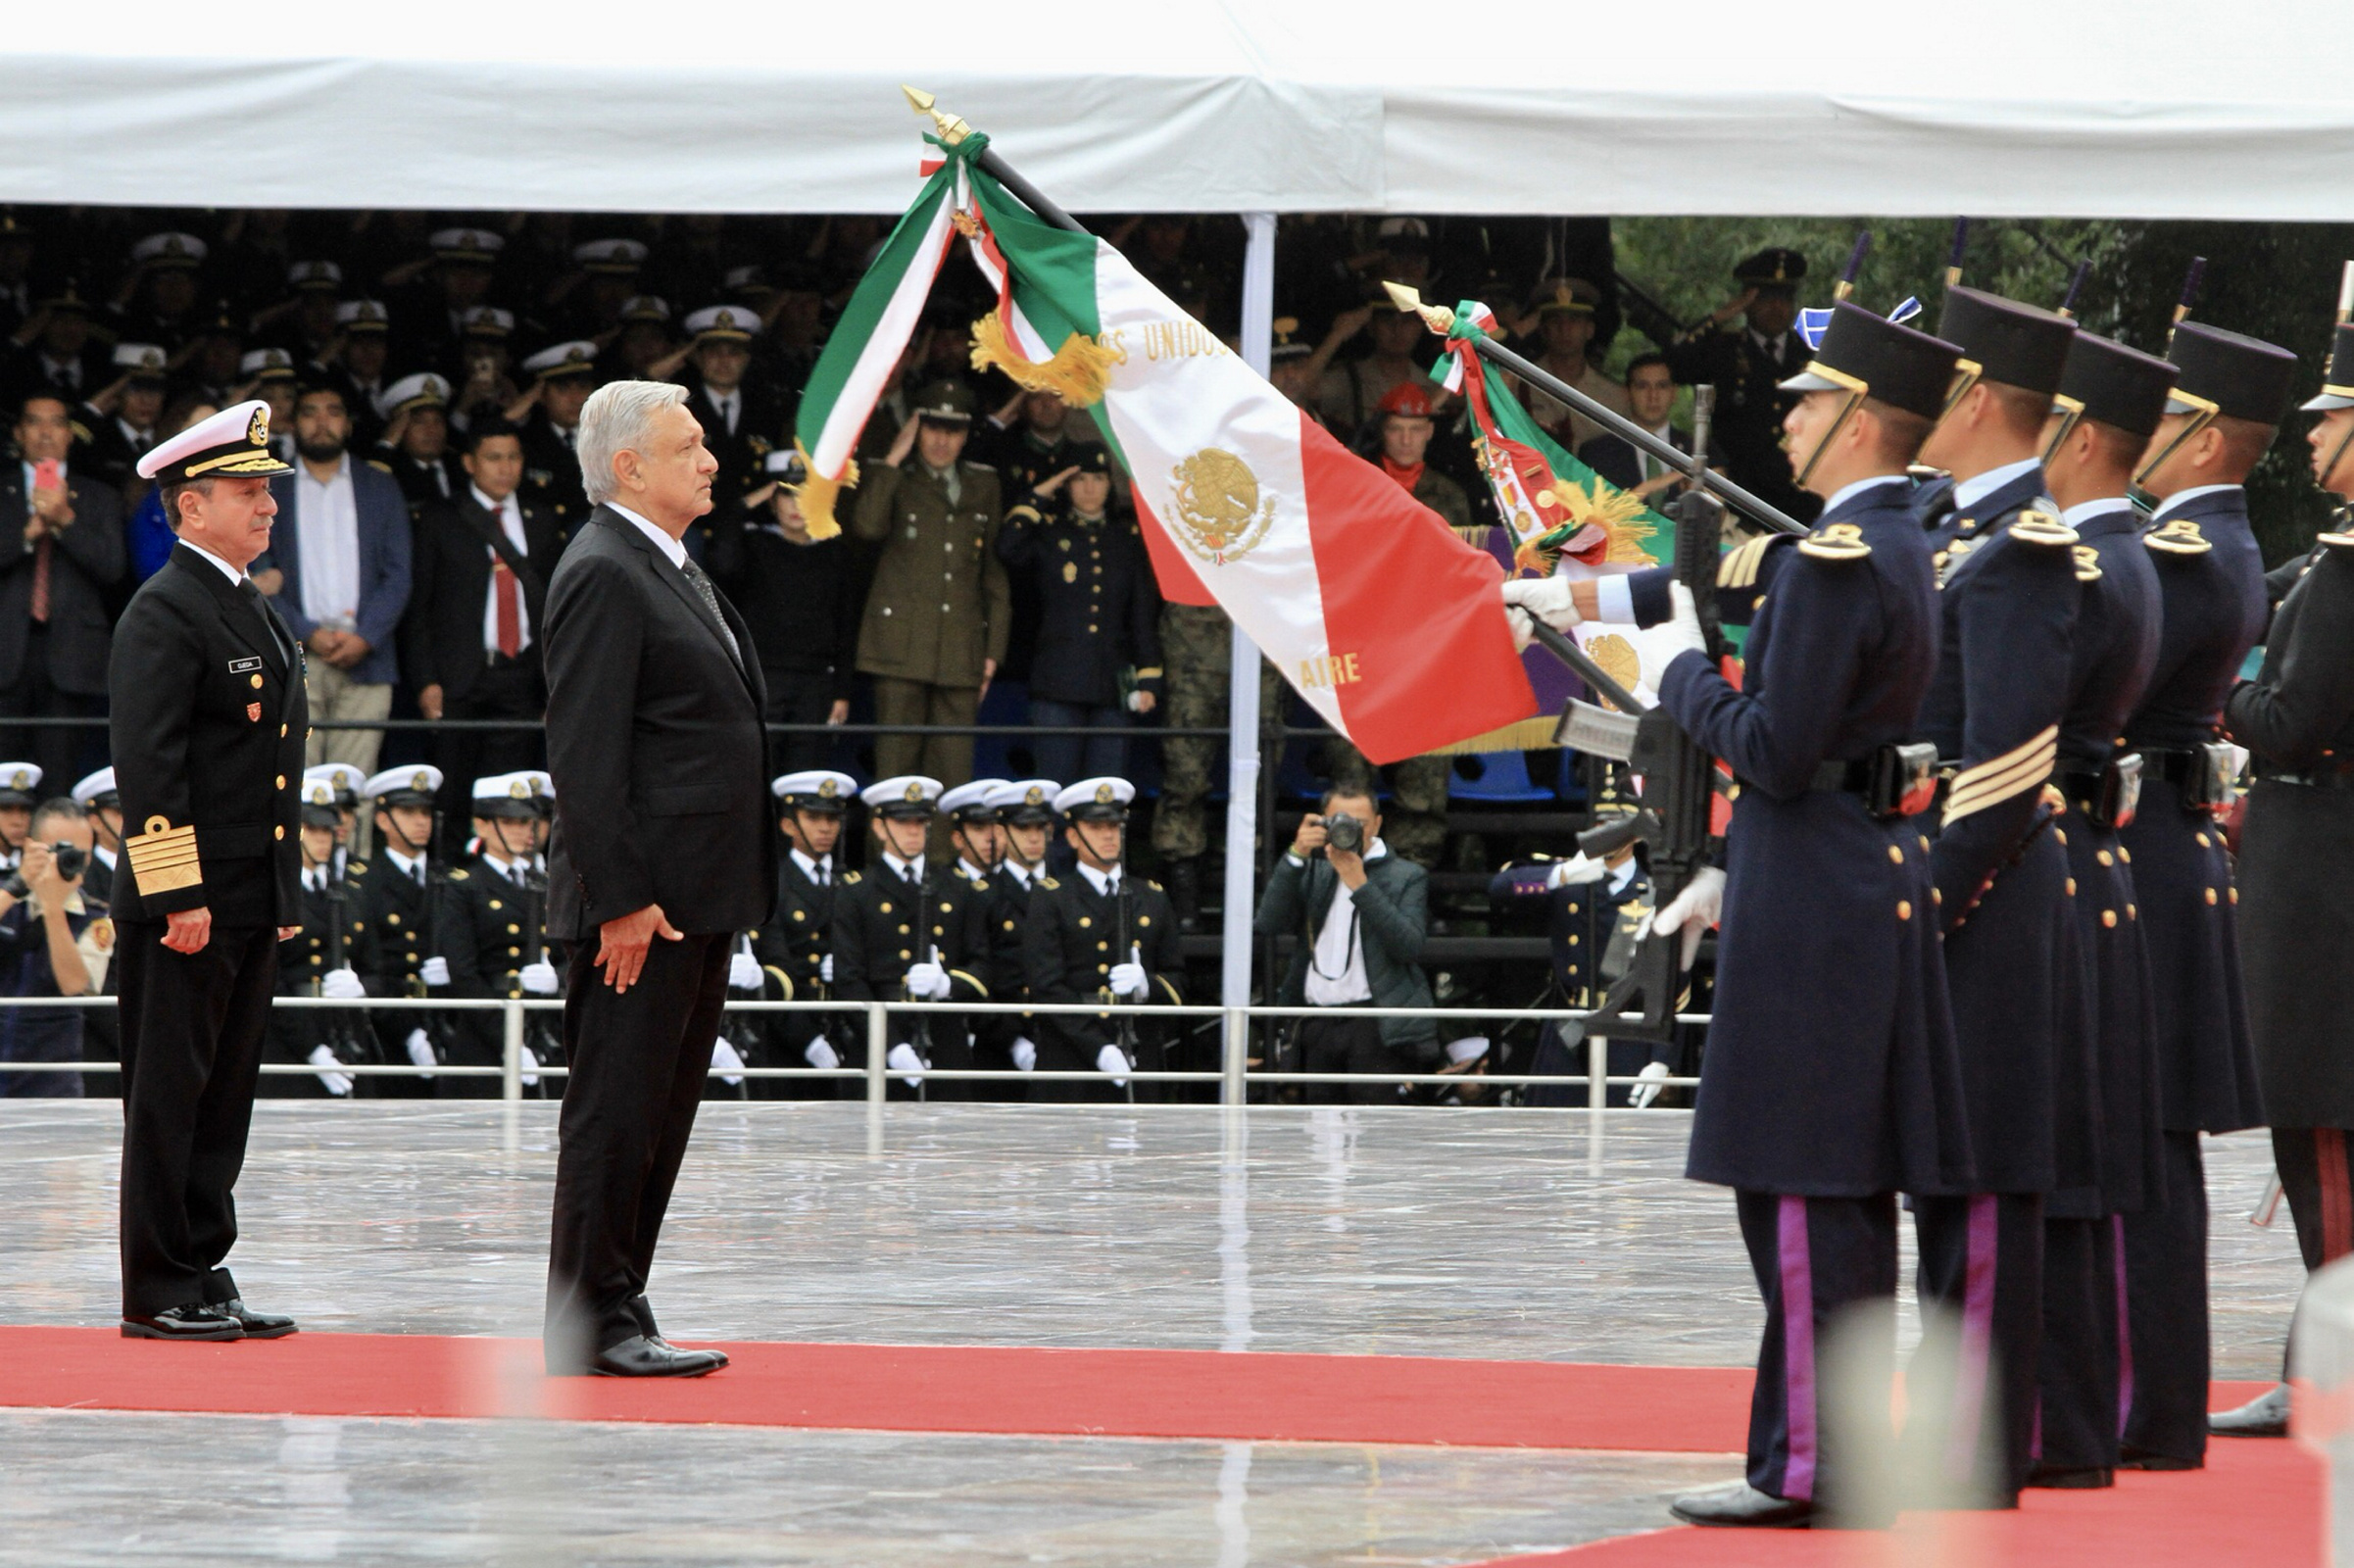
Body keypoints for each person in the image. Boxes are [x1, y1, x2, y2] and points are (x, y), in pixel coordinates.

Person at [1507, 300, 1974, 1526]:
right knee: (1827, 1194)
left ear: (1861, 421)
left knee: (1805, 1190)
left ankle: (1813, 1465)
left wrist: (1672, 677)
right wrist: (1593, 607)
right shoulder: (1882, 542)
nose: (1788, 413)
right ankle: (1822, 1450)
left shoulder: (1840, 560)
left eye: (1809, 401)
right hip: (1838, 873)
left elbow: (1771, 749)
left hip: (1814, 890)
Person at [1892, 285, 2089, 1508]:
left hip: (1986, 891)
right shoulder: (1963, 530)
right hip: (1964, 883)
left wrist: (1926, 899)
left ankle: (1973, 1441)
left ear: (1974, 400)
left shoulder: (2018, 546)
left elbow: (2011, 761)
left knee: (1976, 1176)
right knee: (1947, 1174)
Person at [539, 378, 771, 1378]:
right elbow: (585, 756)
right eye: (687, 445)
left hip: (694, 896)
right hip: (642, 904)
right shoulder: (603, 569)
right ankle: (587, 1317)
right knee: (616, 1109)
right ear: (627, 465)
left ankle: (622, 1299)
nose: (709, 459)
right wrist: (623, 899)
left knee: (658, 1112)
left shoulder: (665, 564)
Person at [2114, 321, 2290, 1470]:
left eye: (2166, 418)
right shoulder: (2210, 545)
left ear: (2210, 437)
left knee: (2133, 1150)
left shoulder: (2179, 553)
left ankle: (2145, 1400)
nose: (2141, 437)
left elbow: (2109, 699)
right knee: (2149, 1146)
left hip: (2144, 854)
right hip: (2172, 850)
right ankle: (2155, 1401)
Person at [112, 398, 307, 1342]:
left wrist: (280, 892)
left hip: (243, 891)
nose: (267, 504)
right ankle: (156, 1284)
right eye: (246, 490)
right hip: (187, 897)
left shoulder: (246, 601)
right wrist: (175, 890)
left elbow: (271, 772)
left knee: (224, 1090)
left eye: (268, 488)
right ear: (190, 505)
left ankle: (203, 1263)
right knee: (169, 1093)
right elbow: (151, 767)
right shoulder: (167, 608)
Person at [2028, 330, 2178, 1487]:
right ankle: (2082, 1419)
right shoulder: (2120, 551)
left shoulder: (2084, 560)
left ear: (2078, 437)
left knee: (2062, 1167)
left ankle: (2063, 1423)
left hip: (2057, 862)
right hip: (2097, 860)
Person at [2208, 317, 2354, 1442]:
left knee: (2319, 1133)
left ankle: (2327, 1370)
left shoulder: (2346, 573)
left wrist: (2221, 696)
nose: (2311, 444)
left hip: (2318, 871)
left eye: (2330, 422)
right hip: (2318, 858)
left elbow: (2295, 723)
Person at [852, 378, 1011, 789]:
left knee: (951, 772)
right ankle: (889, 856)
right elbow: (866, 527)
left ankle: (940, 856)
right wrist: (893, 458)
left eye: (953, 430)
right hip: (899, 645)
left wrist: (993, 649)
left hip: (961, 647)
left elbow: (991, 571)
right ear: (917, 428)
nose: (942, 440)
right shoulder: (894, 476)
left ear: (965, 434)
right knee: (894, 771)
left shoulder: (983, 483)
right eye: (933, 428)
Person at [402, 417, 560, 827]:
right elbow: (420, 605)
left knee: (509, 792)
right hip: (460, 675)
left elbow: (554, 608)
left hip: (521, 675)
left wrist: (552, 683)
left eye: (513, 457)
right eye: (493, 458)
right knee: (454, 791)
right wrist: (426, 681)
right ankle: (454, 878)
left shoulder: (541, 518)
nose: (505, 467)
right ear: (470, 462)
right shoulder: (442, 518)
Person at [261, 382, 414, 776]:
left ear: (348, 424)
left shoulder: (380, 487)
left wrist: (366, 636)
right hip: (294, 655)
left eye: (333, 412)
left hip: (368, 656)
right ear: (293, 424)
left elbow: (399, 574)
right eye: (310, 412)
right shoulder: (270, 489)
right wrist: (306, 631)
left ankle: (354, 845)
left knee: (355, 787)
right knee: (297, 787)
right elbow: (257, 572)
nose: (322, 422)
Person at [1254, 784, 1435, 1104]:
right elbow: (1268, 922)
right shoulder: (1314, 869)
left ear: (1378, 824)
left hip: (1374, 1023)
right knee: (1321, 1127)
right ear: (1322, 822)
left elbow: (1408, 946)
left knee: (1372, 1131)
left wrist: (1359, 883)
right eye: (1339, 820)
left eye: (1361, 823)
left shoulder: (1406, 875)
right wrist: (1295, 855)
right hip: (1318, 1020)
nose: (1350, 830)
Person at [996, 449, 1161, 783]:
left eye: (1098, 479)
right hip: (1058, 681)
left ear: (1109, 484)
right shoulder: (1051, 533)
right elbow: (1008, 546)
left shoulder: (1126, 541)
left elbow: (1141, 614)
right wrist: (1042, 491)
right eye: (1079, 480)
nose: (1089, 488)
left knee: (1105, 792)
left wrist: (1149, 676)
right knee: (1055, 787)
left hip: (1114, 684)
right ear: (1066, 486)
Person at [831, 776, 994, 1101]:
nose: (913, 831)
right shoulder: (856, 892)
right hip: (880, 1034)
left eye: (920, 822)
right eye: (902, 822)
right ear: (879, 828)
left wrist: (948, 984)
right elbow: (849, 978)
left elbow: (983, 965)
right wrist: (892, 1046)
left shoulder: (958, 888)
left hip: (944, 1035)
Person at [1020, 778, 1182, 1102]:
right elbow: (1046, 985)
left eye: (1114, 825)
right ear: (1073, 836)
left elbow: (1177, 977)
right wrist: (1100, 1048)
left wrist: (1146, 985)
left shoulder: (1151, 896)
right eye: (1096, 826)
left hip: (1138, 1046)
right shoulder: (1052, 897)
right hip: (1072, 1055)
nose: (1109, 835)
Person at [0, 391, 125, 786]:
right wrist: (28, 533)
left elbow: (112, 569)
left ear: (70, 434)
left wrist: (66, 521)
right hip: (6, 653)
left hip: (72, 656)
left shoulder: (97, 496)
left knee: (60, 775)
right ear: (19, 432)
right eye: (35, 422)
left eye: (56, 423)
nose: (45, 433)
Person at [707, 451, 858, 770]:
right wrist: (746, 504)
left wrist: (842, 691)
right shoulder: (755, 544)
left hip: (816, 683)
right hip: (763, 677)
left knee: (807, 775)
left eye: (806, 496)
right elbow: (722, 563)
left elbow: (846, 624)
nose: (796, 506)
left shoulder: (836, 553)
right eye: (788, 496)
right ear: (773, 502)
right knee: (759, 770)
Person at [1663, 248, 1819, 524]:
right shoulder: (1725, 349)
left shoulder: (1809, 357)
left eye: (1784, 298)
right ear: (1747, 301)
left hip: (1798, 498)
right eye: (1766, 298)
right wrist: (1720, 317)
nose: (1776, 307)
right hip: (1740, 494)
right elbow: (1675, 363)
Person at [431, 774, 563, 1096]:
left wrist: (558, 980)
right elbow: (464, 974)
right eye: (509, 821)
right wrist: (508, 1038)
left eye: (526, 821)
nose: (522, 830)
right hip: (487, 1031)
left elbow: (567, 953)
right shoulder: (465, 886)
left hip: (545, 1023)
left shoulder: (548, 884)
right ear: (482, 826)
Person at [262, 778, 373, 1100]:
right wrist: (312, 1050)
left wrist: (362, 986)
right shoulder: (274, 891)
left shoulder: (348, 891)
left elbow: (374, 964)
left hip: (345, 1029)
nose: (323, 839)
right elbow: (271, 977)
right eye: (312, 829)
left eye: (327, 830)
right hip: (291, 1039)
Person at [752, 769, 858, 1099]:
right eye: (813, 818)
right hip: (790, 1032)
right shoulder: (773, 885)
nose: (825, 828)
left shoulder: (853, 884)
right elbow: (776, 964)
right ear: (787, 825)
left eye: (832, 818)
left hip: (843, 1026)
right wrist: (807, 1039)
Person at [0, 797, 112, 1099]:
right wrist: (19, 883)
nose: (67, 860)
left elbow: (76, 985)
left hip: (51, 1081)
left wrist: (53, 909)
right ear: (30, 846)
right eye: (57, 850)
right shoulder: (8, 899)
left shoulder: (96, 917)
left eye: (80, 854)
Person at [351, 764, 445, 1101]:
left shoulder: (445, 881)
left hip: (442, 1020)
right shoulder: (366, 882)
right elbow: (374, 965)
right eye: (408, 812)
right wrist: (408, 1032)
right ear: (382, 819)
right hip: (388, 1027)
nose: (421, 822)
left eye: (425, 812)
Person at [1515, 277, 1630, 451]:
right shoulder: (1518, 384)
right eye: (1555, 321)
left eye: (1574, 321)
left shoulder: (1616, 397)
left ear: (1589, 330)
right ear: (1543, 330)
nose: (1565, 329)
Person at [1579, 354, 1693, 501]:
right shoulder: (1595, 453)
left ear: (1674, 393)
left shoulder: (1698, 450)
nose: (1653, 396)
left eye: (1662, 386)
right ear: (1626, 393)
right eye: (1642, 386)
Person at [515, 342, 601, 536]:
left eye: (583, 387)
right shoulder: (527, 442)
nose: (576, 398)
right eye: (563, 389)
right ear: (541, 395)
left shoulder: (608, 438)